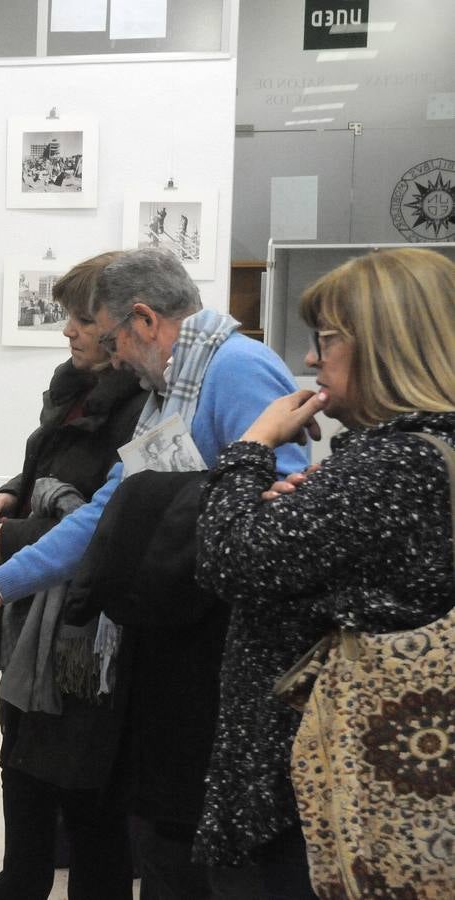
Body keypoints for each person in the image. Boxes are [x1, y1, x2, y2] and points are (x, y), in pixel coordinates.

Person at [0, 248, 309, 897]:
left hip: (223, 661)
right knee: (163, 843)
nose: (114, 359)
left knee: (198, 856)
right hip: (177, 648)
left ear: (144, 321)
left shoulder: (235, 370)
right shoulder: (172, 389)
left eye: (111, 340)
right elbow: (108, 511)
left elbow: (282, 510)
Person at [196, 247, 455, 896]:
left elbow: (228, 559)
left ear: (383, 342)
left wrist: (252, 446)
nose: (312, 359)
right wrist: (299, 511)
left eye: (326, 339)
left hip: (320, 776)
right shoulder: (420, 453)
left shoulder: (393, 465)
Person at [0, 251, 148, 900]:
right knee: (24, 779)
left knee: (87, 811)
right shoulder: (73, 389)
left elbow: (115, 519)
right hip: (35, 625)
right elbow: (53, 470)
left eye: (83, 319)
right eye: (67, 317)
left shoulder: (143, 407)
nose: (68, 331)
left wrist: (12, 540)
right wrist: (11, 492)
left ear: (125, 322)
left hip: (84, 638)